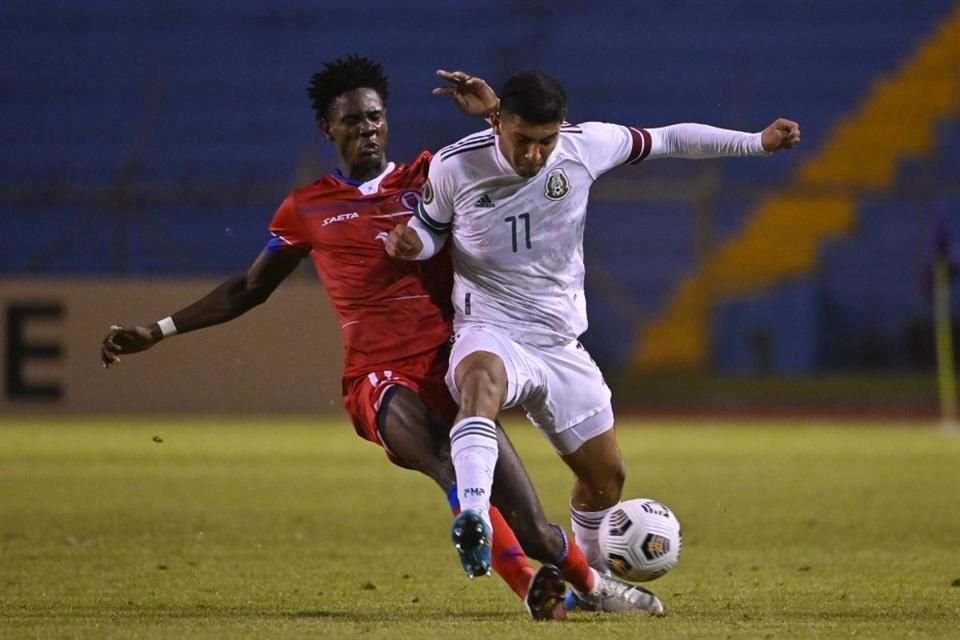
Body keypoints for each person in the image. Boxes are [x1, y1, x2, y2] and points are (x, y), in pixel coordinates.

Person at [99, 56, 641, 620]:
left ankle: (589, 584)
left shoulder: (428, 177)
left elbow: (504, 162)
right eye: (352, 121)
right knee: (446, 463)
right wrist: (158, 330)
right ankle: (525, 580)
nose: (367, 129)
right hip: (378, 377)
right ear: (328, 130)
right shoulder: (308, 208)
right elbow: (249, 288)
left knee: (533, 524)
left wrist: (494, 115)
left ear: (389, 121)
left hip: (453, 364)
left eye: (375, 118)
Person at [387, 68, 801, 611]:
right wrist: (409, 244)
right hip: (488, 326)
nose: (534, 155)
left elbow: (669, 139)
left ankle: (592, 581)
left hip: (559, 344)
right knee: (478, 385)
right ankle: (471, 514)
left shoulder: (587, 146)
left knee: (606, 478)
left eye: (545, 141)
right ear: (499, 126)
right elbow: (429, 230)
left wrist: (756, 143)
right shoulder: (455, 164)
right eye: (522, 141)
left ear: (561, 127)